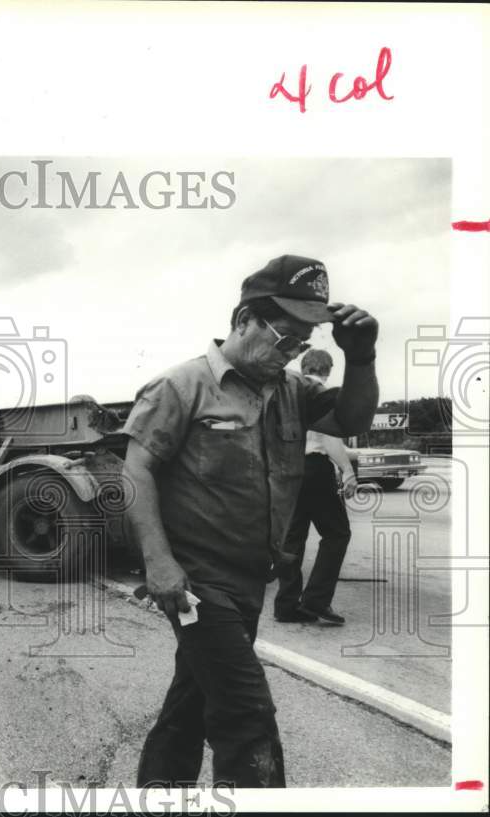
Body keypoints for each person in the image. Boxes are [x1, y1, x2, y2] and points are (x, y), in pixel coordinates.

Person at [122, 254, 378, 788]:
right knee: (247, 711)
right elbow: (136, 471)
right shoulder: (182, 386)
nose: (293, 350)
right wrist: (159, 563)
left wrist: (361, 358)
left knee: (192, 703)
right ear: (244, 320)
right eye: (286, 337)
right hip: (196, 584)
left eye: (303, 342)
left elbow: (352, 419)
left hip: (251, 579)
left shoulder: (292, 391)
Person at [274, 349, 357, 625]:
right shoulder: (322, 394)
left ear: (304, 366)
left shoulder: (289, 394)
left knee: (292, 538)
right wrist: (347, 470)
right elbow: (329, 437)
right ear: (328, 370)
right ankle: (316, 601)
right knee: (337, 533)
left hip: (288, 469)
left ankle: (286, 605)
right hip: (314, 469)